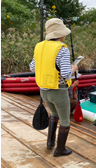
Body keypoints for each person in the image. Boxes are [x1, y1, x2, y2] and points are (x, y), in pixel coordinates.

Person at [29, 18, 78, 157]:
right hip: (58, 91)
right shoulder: (62, 49)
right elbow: (65, 73)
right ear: (61, 34)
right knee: (65, 121)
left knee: (54, 115)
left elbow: (32, 67)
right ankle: (60, 149)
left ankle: (50, 143)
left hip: (43, 91)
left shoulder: (39, 46)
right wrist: (73, 68)